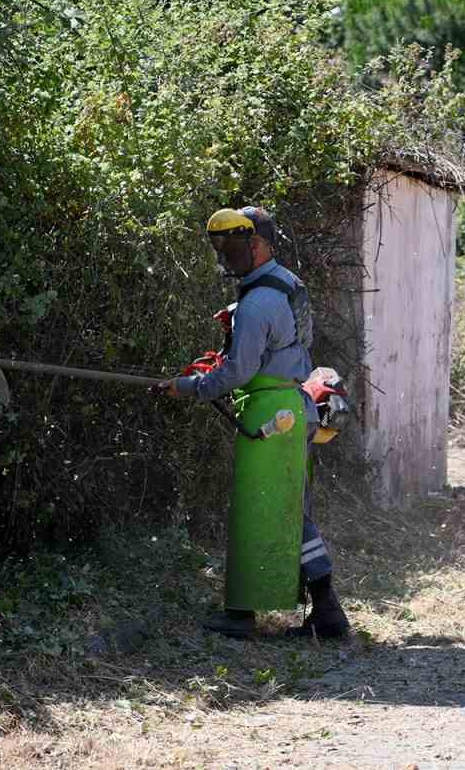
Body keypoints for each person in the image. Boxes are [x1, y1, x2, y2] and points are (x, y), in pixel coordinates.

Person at [155, 206, 350, 641]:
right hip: (288, 407)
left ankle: (242, 614)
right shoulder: (284, 284)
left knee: (254, 510)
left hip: (269, 414)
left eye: (234, 246)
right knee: (288, 513)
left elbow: (240, 371)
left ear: (258, 245)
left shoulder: (259, 300)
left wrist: (188, 386)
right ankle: (328, 611)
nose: (226, 255)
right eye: (221, 247)